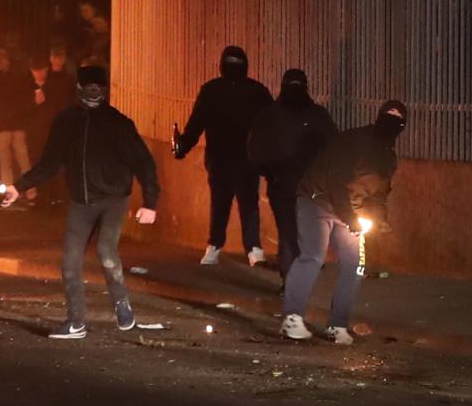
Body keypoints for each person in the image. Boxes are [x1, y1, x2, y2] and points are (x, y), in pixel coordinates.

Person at [0, 66, 160, 339]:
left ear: (105, 90)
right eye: (89, 87)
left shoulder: (119, 123)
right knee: (70, 261)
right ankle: (76, 322)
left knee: (107, 252)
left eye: (98, 87)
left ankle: (123, 309)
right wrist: (19, 187)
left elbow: (143, 162)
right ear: (79, 89)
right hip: (82, 201)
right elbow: (50, 163)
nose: (93, 92)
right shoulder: (66, 122)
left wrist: (150, 202)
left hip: (113, 199)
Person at [280, 100, 407, 345]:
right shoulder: (355, 140)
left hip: (350, 211)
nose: (391, 119)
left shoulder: (388, 158)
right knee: (313, 256)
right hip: (318, 199)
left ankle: (338, 324)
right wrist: (351, 219)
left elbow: (379, 194)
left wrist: (379, 219)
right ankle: (291, 318)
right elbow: (336, 180)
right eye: (388, 114)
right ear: (379, 116)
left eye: (397, 116)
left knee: (355, 265)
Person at [174, 46, 273, 266]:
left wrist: (184, 146)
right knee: (248, 203)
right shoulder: (257, 91)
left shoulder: (212, 90)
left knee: (221, 203)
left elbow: (196, 124)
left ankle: (215, 247)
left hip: (221, 157)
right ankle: (252, 249)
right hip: (245, 159)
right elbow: (271, 124)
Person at [247, 69, 336, 289]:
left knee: (287, 233)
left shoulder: (268, 117)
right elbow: (334, 148)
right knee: (306, 234)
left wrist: (271, 173)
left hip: (282, 185)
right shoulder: (318, 116)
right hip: (311, 187)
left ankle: (290, 281)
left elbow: (255, 151)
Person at [0, 49, 36, 204]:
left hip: (8, 125)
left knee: (13, 162)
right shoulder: (8, 77)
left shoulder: (7, 77)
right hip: (10, 125)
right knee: (15, 161)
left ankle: (21, 193)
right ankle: (27, 192)